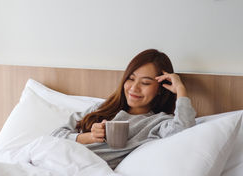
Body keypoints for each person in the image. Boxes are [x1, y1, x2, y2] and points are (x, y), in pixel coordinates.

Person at [51, 49, 196, 169]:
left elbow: (184, 131)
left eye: (145, 83)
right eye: (131, 79)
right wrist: (88, 137)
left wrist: (181, 90)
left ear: (160, 88)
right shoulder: (101, 108)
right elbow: (54, 136)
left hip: (85, 171)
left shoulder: (158, 122)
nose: (134, 88)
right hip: (56, 160)